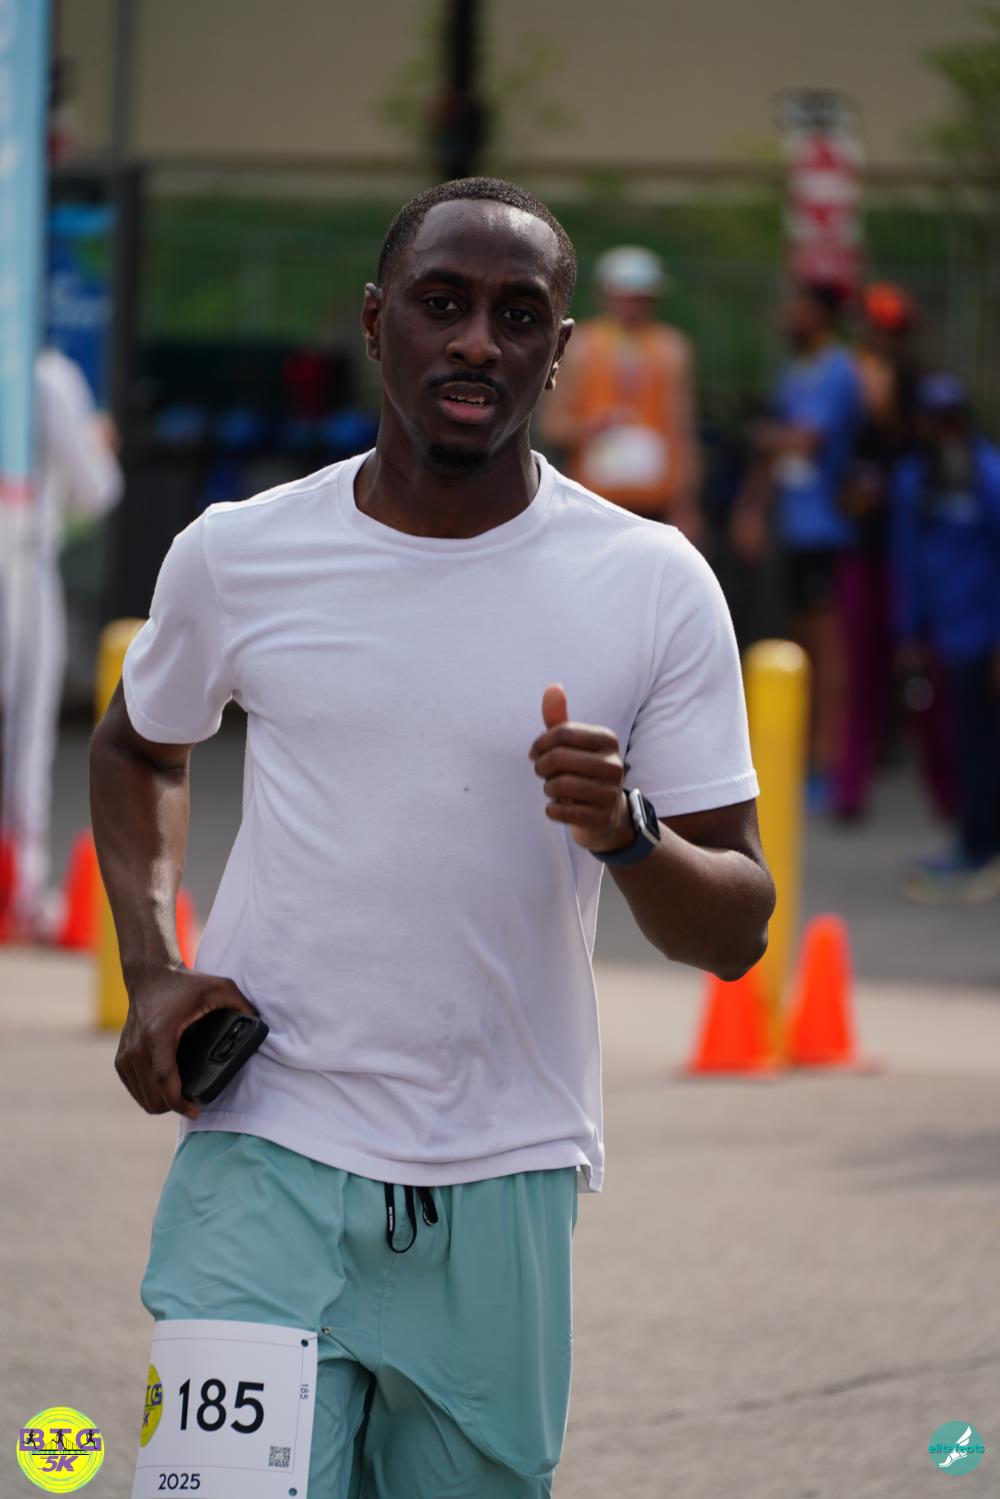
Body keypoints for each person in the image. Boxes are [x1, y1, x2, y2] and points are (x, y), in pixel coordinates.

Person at [91, 177, 774, 1498]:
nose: (476, 341)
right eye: (441, 303)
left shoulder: (651, 583)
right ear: (374, 321)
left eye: (517, 316)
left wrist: (628, 833)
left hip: (502, 1167)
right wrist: (151, 962)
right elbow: (136, 743)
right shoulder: (240, 553)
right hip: (263, 1143)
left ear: (558, 350)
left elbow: (737, 928)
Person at [0, 347, 122, 937]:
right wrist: (98, 440)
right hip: (19, 563)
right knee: (23, 736)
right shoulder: (45, 376)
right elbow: (97, 489)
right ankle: (18, 894)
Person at [729, 280, 863, 803]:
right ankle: (802, 757)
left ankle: (830, 765)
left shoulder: (838, 368)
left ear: (822, 315)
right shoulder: (794, 370)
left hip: (827, 531)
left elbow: (803, 440)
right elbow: (775, 449)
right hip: (794, 529)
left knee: (829, 649)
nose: (787, 316)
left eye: (798, 309)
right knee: (801, 643)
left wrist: (765, 437)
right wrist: (751, 509)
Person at [892, 373, 1000, 902]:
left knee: (982, 745)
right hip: (941, 637)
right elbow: (907, 562)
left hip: (983, 637)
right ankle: (970, 839)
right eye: (935, 420)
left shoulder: (989, 476)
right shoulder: (915, 481)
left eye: (951, 419)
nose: (943, 430)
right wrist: (908, 633)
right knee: (953, 743)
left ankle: (982, 847)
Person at [538, 244, 701, 541]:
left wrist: (685, 503)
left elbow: (682, 430)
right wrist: (590, 428)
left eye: (642, 297)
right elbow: (553, 426)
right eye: (626, 295)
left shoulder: (671, 349)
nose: (633, 305)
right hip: (591, 500)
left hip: (655, 503)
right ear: (607, 294)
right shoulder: (580, 346)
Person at [831, 283, 919, 820]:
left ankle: (961, 801)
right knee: (861, 678)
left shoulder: (928, 414)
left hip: (924, 566)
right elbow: (847, 495)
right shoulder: (858, 424)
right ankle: (850, 789)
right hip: (868, 560)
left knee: (931, 674)